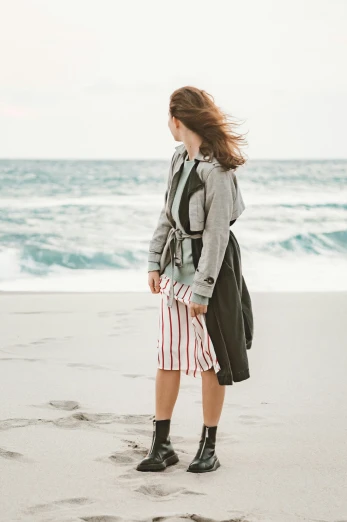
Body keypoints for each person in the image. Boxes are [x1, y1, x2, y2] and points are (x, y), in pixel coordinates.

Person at [138, 86, 254, 474]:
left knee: (210, 360)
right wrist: (154, 262)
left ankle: (209, 446)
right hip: (174, 268)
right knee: (168, 354)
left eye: (167, 117)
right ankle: (162, 443)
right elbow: (166, 215)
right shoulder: (177, 160)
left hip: (209, 273)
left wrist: (203, 289)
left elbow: (218, 234)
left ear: (178, 119)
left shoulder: (218, 171)